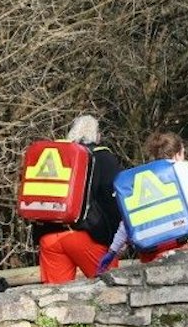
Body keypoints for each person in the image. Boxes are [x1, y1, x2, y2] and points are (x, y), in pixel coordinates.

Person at [37, 115, 127, 284]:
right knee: (110, 290)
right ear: (97, 136)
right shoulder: (103, 158)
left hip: (49, 236)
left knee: (54, 297)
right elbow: (113, 201)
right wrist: (118, 240)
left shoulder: (56, 156)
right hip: (87, 236)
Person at [106, 131, 188, 265]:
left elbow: (128, 220)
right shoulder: (181, 168)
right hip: (178, 243)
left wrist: (113, 250)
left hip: (148, 250)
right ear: (178, 153)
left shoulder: (136, 178)